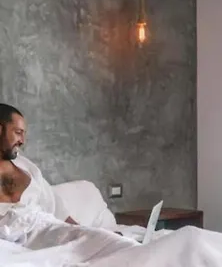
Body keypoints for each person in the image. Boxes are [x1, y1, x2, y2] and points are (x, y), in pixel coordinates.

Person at [0, 103, 128, 248]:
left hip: (50, 232)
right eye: (18, 132)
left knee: (120, 245)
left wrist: (89, 233)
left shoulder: (27, 168)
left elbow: (57, 209)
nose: (22, 141)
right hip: (16, 245)